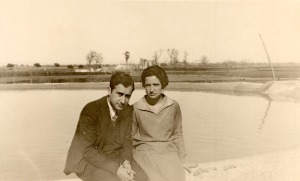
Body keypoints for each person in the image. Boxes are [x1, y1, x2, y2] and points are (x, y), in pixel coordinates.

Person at [64, 71, 148, 181]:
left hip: (114, 157)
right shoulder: (91, 110)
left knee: (143, 178)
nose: (123, 101)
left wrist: (126, 162)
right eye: (119, 94)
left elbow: (127, 141)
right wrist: (117, 170)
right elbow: (88, 150)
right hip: (87, 161)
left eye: (127, 96)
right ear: (109, 90)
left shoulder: (128, 110)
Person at [132, 65, 187, 181]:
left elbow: (178, 133)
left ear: (163, 85)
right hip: (144, 152)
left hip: (168, 152)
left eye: (156, 85)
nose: (151, 89)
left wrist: (181, 158)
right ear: (143, 86)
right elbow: (130, 138)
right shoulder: (135, 108)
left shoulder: (173, 106)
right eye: (148, 85)